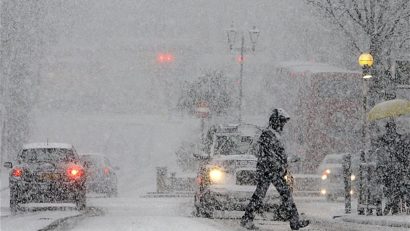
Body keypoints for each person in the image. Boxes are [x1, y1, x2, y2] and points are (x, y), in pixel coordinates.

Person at [240, 108, 309, 230]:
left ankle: (247, 219)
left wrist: (287, 160)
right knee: (283, 194)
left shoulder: (273, 135)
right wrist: (279, 166)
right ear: (276, 122)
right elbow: (270, 155)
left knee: (262, 195)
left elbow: (277, 155)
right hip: (270, 171)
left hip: (271, 170)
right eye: (282, 122)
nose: (283, 125)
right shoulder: (268, 135)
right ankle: (294, 221)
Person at [375, 121, 403, 215]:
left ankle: (391, 205)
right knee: (392, 187)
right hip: (391, 167)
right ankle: (392, 205)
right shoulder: (394, 138)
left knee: (392, 187)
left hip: (391, 167)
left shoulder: (386, 139)